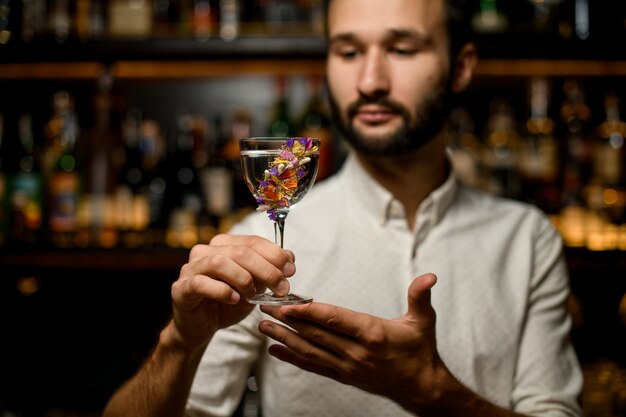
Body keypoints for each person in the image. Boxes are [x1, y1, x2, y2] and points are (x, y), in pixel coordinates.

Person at [103, 0, 583, 416]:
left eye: (402, 48)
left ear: (460, 66)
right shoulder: (256, 246)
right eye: (348, 52)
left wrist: (433, 394)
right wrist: (179, 344)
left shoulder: (527, 239)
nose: (370, 81)